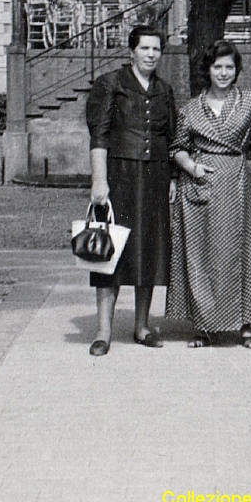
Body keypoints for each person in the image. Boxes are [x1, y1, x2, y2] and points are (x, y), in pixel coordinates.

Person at [166, 40, 251, 349]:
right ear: (207, 70)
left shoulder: (248, 99)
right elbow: (177, 148)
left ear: (237, 71)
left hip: (234, 182)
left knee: (238, 251)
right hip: (197, 185)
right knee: (199, 254)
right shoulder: (191, 108)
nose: (223, 73)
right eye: (217, 67)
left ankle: (244, 324)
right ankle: (203, 325)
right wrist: (192, 167)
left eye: (229, 67)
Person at [85, 24, 175, 356]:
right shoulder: (110, 83)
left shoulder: (164, 89)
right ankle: (103, 331)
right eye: (145, 48)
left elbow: (170, 137)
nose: (151, 54)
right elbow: (99, 135)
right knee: (109, 253)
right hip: (119, 177)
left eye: (156, 49)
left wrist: (173, 180)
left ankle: (141, 326)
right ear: (131, 51)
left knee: (147, 252)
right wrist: (99, 180)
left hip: (155, 179)